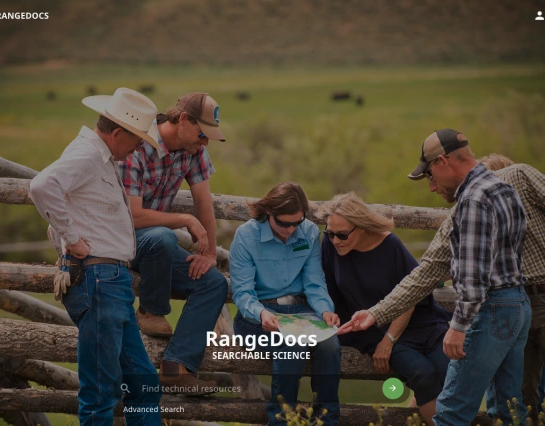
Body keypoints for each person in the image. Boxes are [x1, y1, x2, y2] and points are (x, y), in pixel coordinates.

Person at [339, 129, 532, 425]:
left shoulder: (474, 200)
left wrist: (459, 325)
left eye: (429, 175)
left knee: (451, 412)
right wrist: (376, 313)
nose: (431, 187)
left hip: (488, 310)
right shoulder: (502, 188)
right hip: (516, 305)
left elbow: (473, 274)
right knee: (509, 408)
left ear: (443, 161)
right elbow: (430, 270)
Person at [29, 88, 162, 425]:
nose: (137, 149)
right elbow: (43, 186)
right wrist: (71, 240)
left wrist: (66, 236)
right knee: (101, 392)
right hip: (99, 281)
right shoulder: (88, 154)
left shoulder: (95, 155)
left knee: (143, 382)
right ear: (117, 133)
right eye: (135, 142)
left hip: (108, 283)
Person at [119, 92, 228, 394]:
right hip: (120, 241)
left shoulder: (192, 150)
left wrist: (207, 254)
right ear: (182, 119)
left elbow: (203, 203)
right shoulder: (136, 147)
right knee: (163, 236)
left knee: (214, 283)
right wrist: (184, 220)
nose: (204, 143)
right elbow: (134, 218)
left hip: (156, 246)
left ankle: (175, 368)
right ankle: (150, 311)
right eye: (202, 134)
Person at [316, 192, 451, 426]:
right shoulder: (330, 245)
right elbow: (325, 286)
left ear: (361, 228)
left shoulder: (390, 245)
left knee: (449, 371)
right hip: (369, 329)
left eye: (342, 234)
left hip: (412, 322)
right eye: (329, 233)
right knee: (423, 374)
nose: (335, 240)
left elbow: (412, 294)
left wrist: (389, 340)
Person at [230, 182, 341, 426]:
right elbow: (242, 292)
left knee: (330, 345)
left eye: (296, 223)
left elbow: (314, 281)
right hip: (257, 317)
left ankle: (326, 420)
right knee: (292, 347)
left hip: (301, 312)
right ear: (269, 212)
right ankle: (280, 421)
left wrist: (325, 310)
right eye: (283, 223)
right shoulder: (246, 235)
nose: (291, 229)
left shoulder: (310, 232)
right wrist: (261, 314)